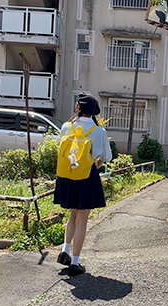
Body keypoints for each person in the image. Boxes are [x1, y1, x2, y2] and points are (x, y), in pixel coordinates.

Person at [54, 93, 112, 276]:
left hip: (67, 175)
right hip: (87, 176)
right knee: (82, 219)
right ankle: (75, 263)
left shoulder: (66, 126)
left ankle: (65, 251)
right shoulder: (98, 131)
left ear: (79, 108)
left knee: (73, 215)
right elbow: (107, 157)